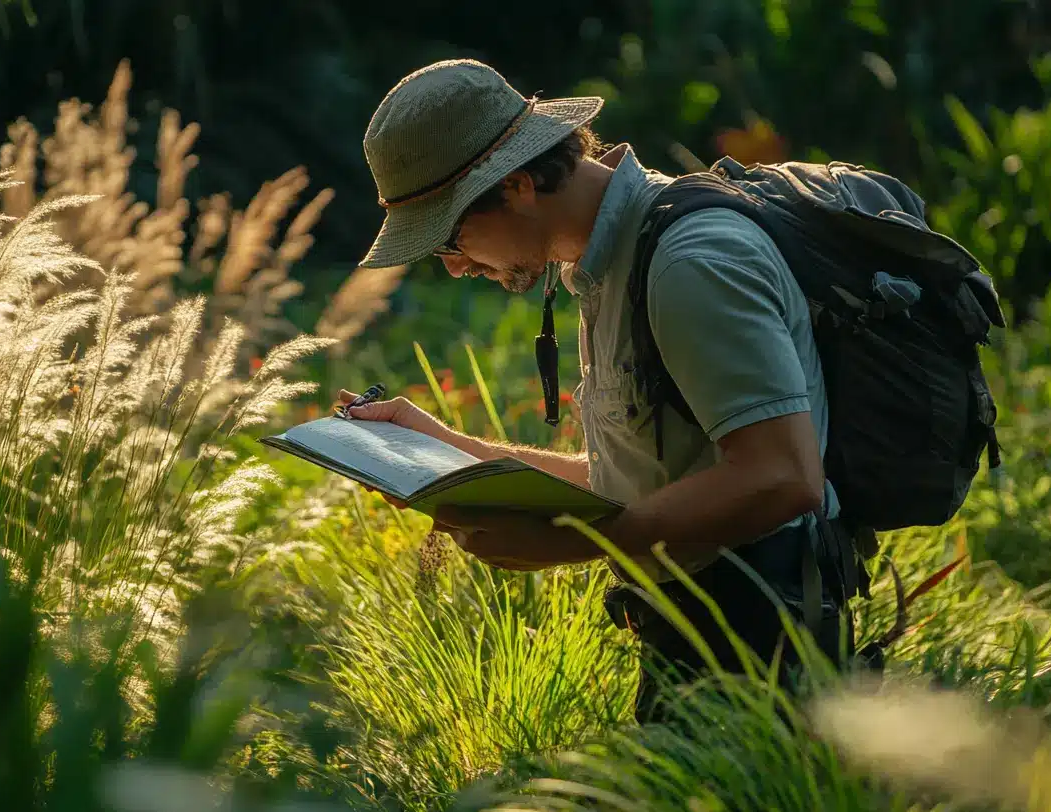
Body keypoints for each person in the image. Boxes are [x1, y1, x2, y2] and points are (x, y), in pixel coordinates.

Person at [336, 58, 854, 724]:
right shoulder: (609, 262)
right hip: (698, 635)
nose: (458, 267)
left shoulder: (690, 261)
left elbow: (784, 476)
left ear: (519, 186)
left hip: (763, 645)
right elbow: (642, 482)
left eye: (452, 237)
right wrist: (445, 449)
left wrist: (582, 545)